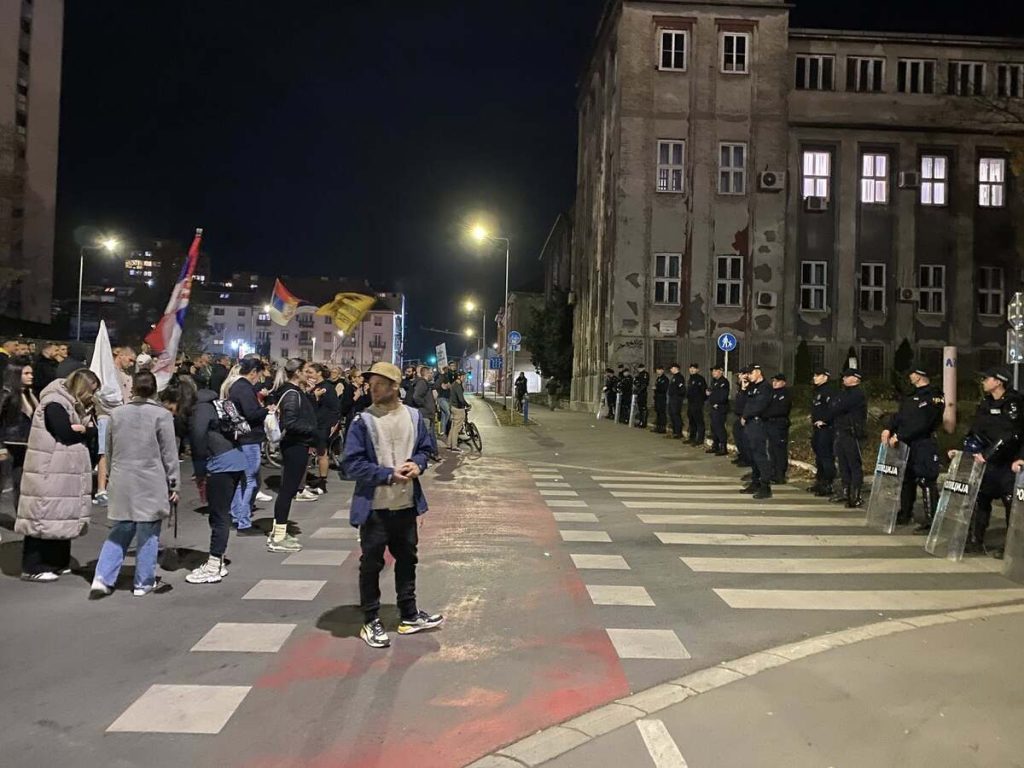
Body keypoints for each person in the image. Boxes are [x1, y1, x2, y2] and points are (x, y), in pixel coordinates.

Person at [341, 362, 444, 649]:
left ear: (395, 387)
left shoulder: (412, 417)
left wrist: (418, 464)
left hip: (406, 504)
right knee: (371, 563)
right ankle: (371, 619)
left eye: (379, 385)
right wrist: (386, 474)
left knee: (408, 559)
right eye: (371, 384)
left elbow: (426, 449)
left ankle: (409, 614)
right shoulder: (363, 421)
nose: (372, 389)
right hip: (374, 507)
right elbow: (351, 463)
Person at [89, 371, 179, 598]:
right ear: (155, 390)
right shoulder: (161, 415)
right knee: (148, 532)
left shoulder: (116, 414)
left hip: (122, 477)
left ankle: (102, 577)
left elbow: (108, 450)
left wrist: (112, 472)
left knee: (120, 529)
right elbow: (169, 453)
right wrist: (174, 484)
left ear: (133, 389)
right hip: (150, 480)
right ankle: (143, 582)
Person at [16, 369, 99, 581]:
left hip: (64, 471)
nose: (93, 396)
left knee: (61, 517)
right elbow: (65, 432)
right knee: (42, 518)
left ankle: (56, 562)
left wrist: (83, 429)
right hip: (49, 469)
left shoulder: (74, 404)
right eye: (92, 391)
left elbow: (92, 431)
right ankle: (33, 567)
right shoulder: (54, 402)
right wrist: (81, 430)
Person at [185, 384, 249, 583]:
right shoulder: (214, 403)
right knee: (221, 513)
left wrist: (200, 469)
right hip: (236, 458)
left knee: (219, 516)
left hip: (221, 463)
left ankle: (214, 564)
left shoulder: (200, 409)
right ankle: (217, 561)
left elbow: (197, 438)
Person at [962, 367, 1023, 554]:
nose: (983, 382)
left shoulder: (1014, 403)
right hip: (986, 462)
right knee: (981, 499)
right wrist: (963, 448)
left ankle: (1013, 546)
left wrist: (989, 454)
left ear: (999, 381)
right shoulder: (985, 404)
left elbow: (1011, 435)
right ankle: (976, 540)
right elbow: (975, 430)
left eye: (986, 378)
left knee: (1010, 502)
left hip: (1008, 461)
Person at [882, 365, 944, 528]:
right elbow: (900, 417)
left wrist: (900, 435)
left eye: (912, 374)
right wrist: (889, 428)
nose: (910, 377)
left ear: (920, 375)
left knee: (926, 480)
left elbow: (923, 423)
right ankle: (905, 513)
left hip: (924, 443)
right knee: (906, 479)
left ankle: (931, 519)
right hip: (907, 444)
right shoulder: (910, 396)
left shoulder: (933, 396)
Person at [268, 359, 318, 552]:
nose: (309, 374)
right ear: (297, 372)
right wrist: (313, 430)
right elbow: (291, 422)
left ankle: (279, 530)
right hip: (294, 446)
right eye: (306, 371)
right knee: (288, 490)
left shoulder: (295, 391)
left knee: (288, 489)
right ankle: (278, 536)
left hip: (297, 444)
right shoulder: (291, 393)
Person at [227, 358, 273, 531]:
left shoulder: (235, 386)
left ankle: (237, 515)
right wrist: (267, 409)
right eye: (259, 374)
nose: (259, 379)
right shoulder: (245, 388)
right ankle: (243, 521)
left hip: (240, 438)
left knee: (242, 480)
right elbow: (252, 413)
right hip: (250, 438)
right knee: (251, 481)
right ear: (253, 372)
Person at [0, 360, 38, 512]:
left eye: (31, 373)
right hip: (8, 444)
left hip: (24, 445)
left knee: (21, 484)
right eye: (26, 373)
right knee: (2, 483)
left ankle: (21, 518)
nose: (31, 376)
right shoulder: (7, 394)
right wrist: (1, 446)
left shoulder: (30, 394)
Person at [831, 368, 868, 508]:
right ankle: (846, 493)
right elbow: (833, 406)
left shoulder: (857, 394)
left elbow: (839, 406)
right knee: (843, 464)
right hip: (841, 432)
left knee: (854, 464)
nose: (843, 379)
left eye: (846, 377)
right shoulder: (843, 393)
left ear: (855, 379)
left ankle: (856, 495)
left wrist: (837, 404)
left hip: (852, 433)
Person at [740, 365, 773, 499]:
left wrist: (745, 415)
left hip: (759, 423)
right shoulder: (752, 387)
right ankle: (755, 481)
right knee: (752, 455)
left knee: (760, 455)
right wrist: (743, 388)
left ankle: (765, 486)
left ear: (759, 372)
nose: (749, 375)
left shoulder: (765, 387)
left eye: (751, 373)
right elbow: (742, 403)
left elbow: (759, 406)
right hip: (750, 424)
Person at [311, 364, 342, 493]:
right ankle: (318, 479)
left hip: (323, 425)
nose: (308, 374)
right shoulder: (315, 387)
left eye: (311, 372)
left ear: (319, 373)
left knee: (322, 453)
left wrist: (332, 425)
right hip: (315, 424)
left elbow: (335, 408)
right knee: (317, 453)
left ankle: (322, 482)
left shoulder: (327, 388)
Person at [809, 368, 838, 497]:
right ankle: (820, 482)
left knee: (826, 456)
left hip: (827, 429)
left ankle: (828, 483)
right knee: (819, 456)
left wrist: (825, 420)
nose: (815, 377)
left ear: (825, 377)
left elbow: (833, 409)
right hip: (817, 428)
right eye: (814, 375)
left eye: (818, 375)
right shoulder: (817, 391)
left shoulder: (829, 391)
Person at [764, 373, 792, 484]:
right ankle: (774, 472)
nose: (774, 383)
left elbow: (781, 410)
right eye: (773, 381)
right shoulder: (772, 393)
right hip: (770, 424)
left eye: (777, 381)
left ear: (783, 383)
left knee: (779, 450)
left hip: (779, 424)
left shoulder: (785, 394)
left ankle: (780, 474)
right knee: (771, 450)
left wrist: (767, 414)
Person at [412, 365, 440, 460]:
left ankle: (432, 453)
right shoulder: (422, 383)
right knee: (424, 437)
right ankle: (422, 457)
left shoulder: (426, 383)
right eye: (431, 373)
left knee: (431, 435)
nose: (432, 374)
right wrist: (425, 405)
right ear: (427, 374)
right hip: (425, 413)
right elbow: (416, 397)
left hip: (428, 413)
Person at [707, 364, 730, 455]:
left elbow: (723, 396)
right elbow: (711, 391)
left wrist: (717, 403)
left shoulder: (724, 382)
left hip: (720, 408)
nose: (713, 373)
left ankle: (723, 447)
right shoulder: (714, 381)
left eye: (715, 371)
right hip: (713, 407)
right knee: (714, 427)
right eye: (712, 371)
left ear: (720, 371)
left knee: (719, 427)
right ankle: (715, 446)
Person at [445, 370, 469, 452]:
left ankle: (449, 444)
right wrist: (467, 405)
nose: (464, 378)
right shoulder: (458, 386)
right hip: (458, 408)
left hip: (453, 407)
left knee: (453, 426)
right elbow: (460, 399)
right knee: (457, 428)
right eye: (463, 376)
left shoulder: (453, 384)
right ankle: (454, 446)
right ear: (459, 377)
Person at [732, 368, 752, 467]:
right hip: (739, 415)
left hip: (745, 417)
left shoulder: (749, 387)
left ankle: (747, 459)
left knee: (745, 439)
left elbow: (747, 402)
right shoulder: (740, 387)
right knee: (738, 438)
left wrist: (744, 389)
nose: (739, 377)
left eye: (740, 374)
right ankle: (742, 456)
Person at [686, 364, 708, 445]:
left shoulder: (700, 379)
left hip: (697, 403)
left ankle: (700, 439)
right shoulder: (690, 379)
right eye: (690, 368)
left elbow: (703, 391)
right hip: (690, 403)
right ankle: (692, 437)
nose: (692, 370)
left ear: (697, 370)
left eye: (694, 368)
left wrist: (701, 400)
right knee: (692, 421)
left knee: (699, 421)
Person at [436, 361, 456, 435]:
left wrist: (448, 385)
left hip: (448, 398)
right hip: (441, 398)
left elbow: (450, 386)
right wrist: (446, 385)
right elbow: (443, 386)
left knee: (444, 415)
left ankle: (443, 431)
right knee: (448, 412)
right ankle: (446, 429)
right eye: (445, 369)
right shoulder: (440, 376)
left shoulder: (449, 376)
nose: (446, 370)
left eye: (447, 369)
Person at [667, 363, 685, 439]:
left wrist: (677, 396)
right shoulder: (674, 377)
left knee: (676, 415)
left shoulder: (679, 377)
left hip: (676, 399)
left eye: (672, 368)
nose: (671, 370)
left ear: (676, 368)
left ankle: (678, 432)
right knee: (672, 414)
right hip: (672, 398)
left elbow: (682, 389)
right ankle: (675, 431)